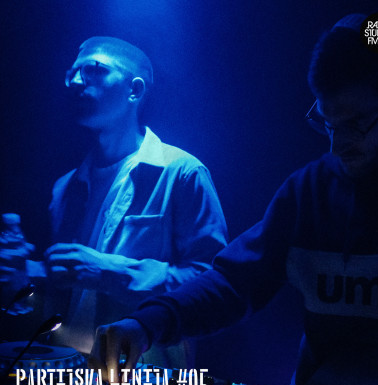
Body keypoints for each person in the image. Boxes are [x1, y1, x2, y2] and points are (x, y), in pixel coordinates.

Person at [88, 15, 378, 385]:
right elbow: (234, 283)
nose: (338, 145)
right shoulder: (308, 193)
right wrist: (146, 324)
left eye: (356, 124)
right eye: (328, 123)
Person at [0, 36, 228, 367]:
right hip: (68, 376)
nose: (75, 82)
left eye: (93, 70)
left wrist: (109, 272)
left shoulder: (182, 173)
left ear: (134, 90)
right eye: (71, 73)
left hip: (148, 381)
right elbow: (67, 303)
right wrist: (23, 281)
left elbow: (212, 286)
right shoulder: (65, 188)